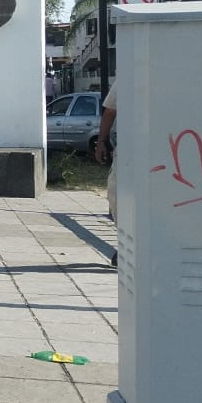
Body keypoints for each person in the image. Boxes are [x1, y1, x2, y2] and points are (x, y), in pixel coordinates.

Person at [94, 85, 118, 267]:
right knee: (116, 195)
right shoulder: (125, 80)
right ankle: (126, 242)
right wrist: (101, 141)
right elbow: (110, 111)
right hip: (127, 150)